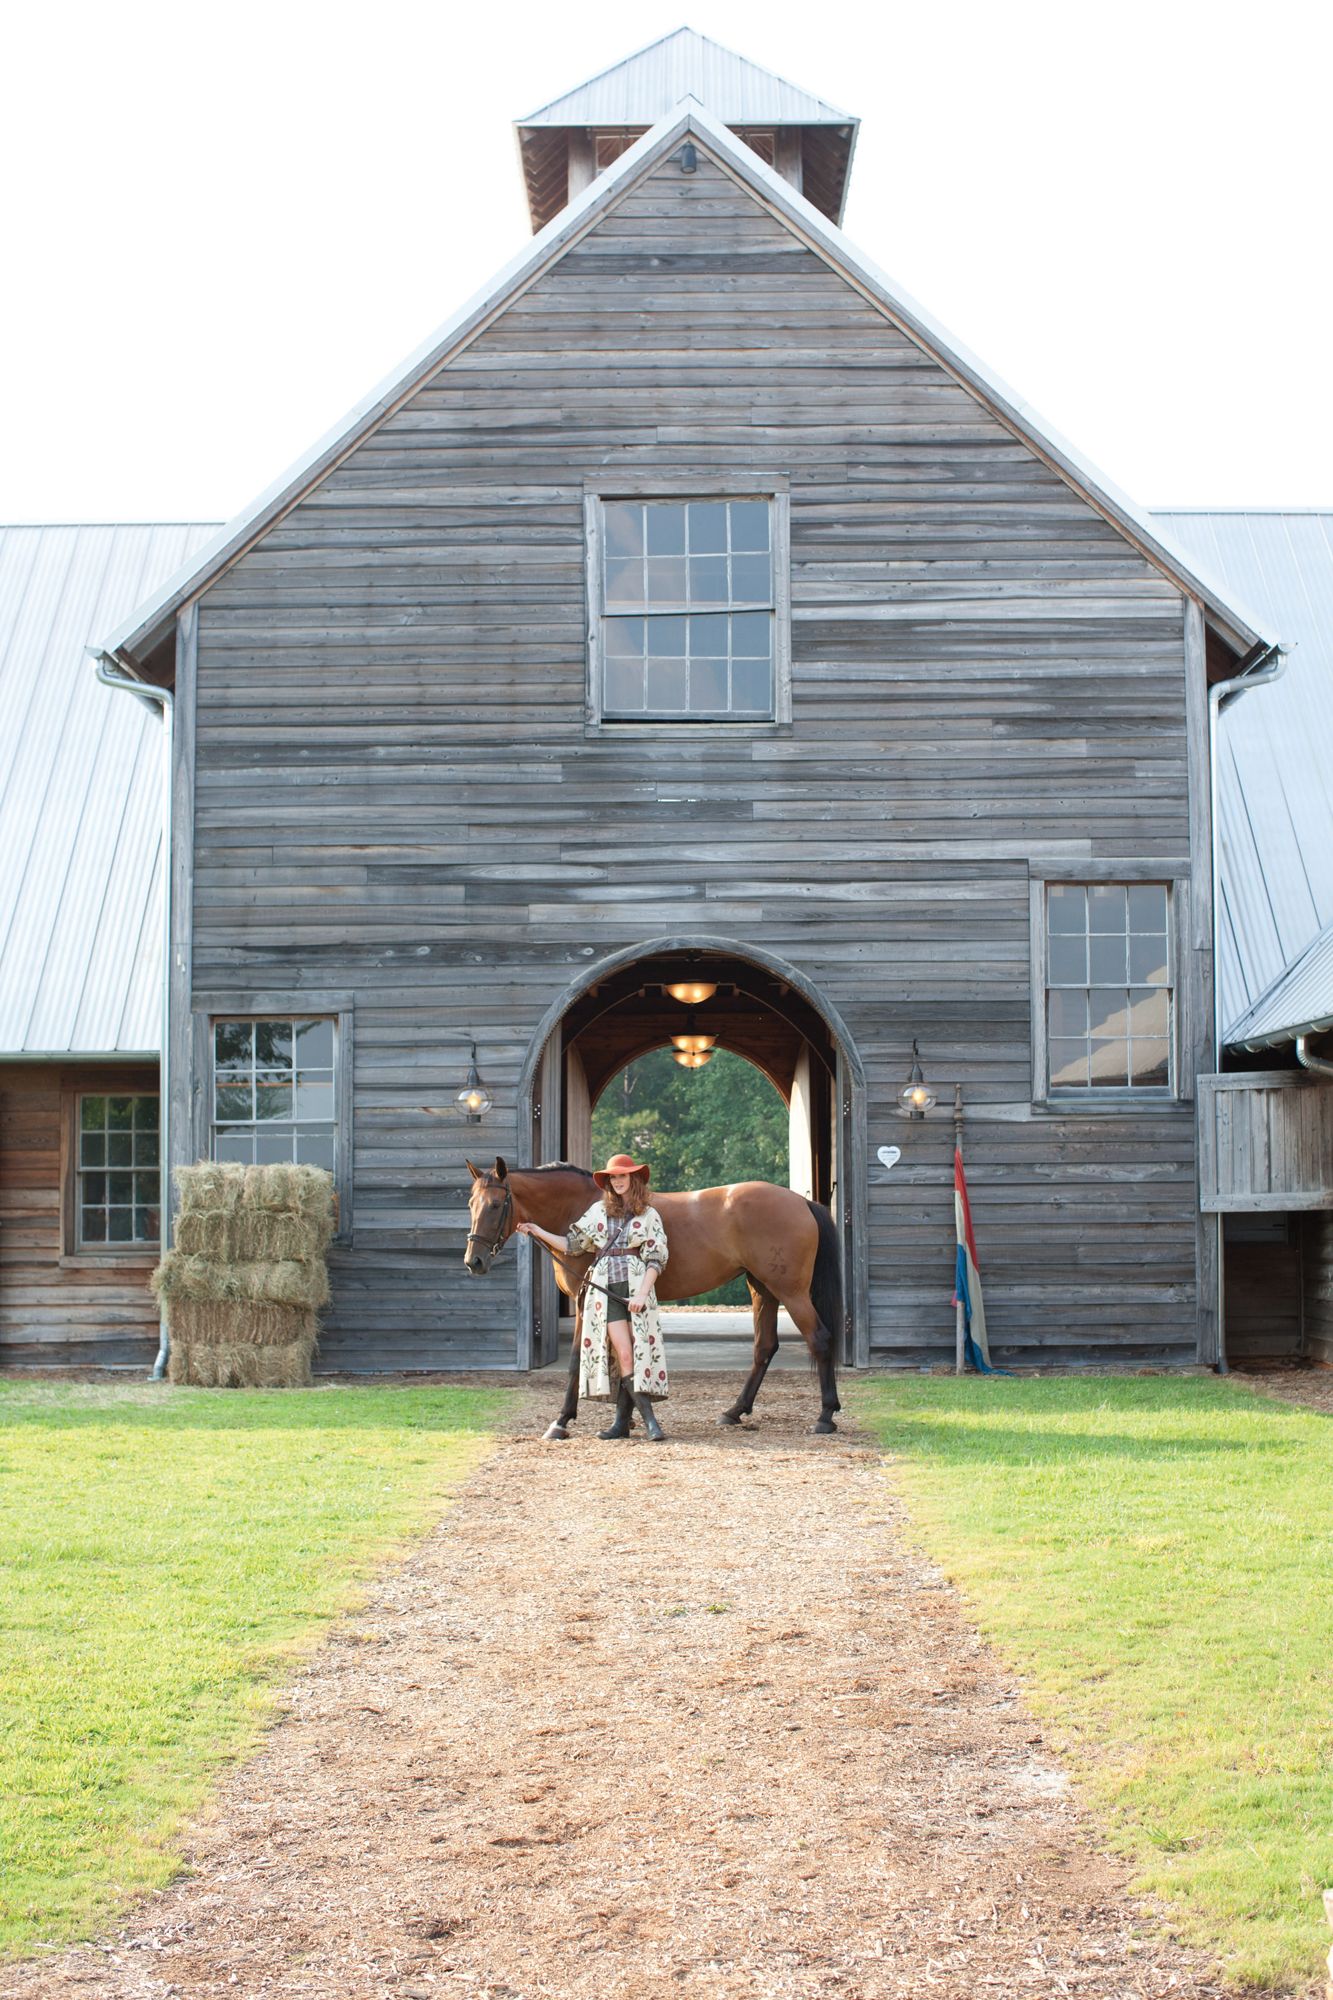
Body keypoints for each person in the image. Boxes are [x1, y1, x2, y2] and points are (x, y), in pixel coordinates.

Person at [518, 1152, 670, 1441]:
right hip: (606, 1291)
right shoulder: (598, 1211)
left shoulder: (649, 1215)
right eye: (613, 1177)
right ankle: (652, 1424)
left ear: (633, 1178)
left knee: (639, 1355)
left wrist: (641, 1293)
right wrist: (538, 1231)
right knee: (624, 1353)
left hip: (636, 1289)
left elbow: (656, 1259)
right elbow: (572, 1244)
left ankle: (623, 1424)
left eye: (622, 1176)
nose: (617, 1181)